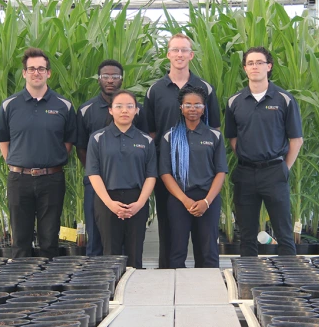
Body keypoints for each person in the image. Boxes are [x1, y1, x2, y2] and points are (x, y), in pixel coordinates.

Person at [145, 33, 221, 269]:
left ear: (191, 55)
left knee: (205, 233)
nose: (179, 54)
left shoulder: (204, 88)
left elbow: (215, 127)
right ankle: (169, 272)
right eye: (175, 50)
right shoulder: (155, 90)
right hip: (167, 170)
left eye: (184, 50)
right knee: (170, 227)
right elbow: (150, 132)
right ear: (168, 54)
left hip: (201, 171)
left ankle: (204, 276)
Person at [0, 47, 76, 259]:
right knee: (20, 240)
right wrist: (16, 163)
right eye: (31, 69)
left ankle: (48, 288)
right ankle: (23, 288)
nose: (36, 73)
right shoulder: (9, 105)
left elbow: (68, 141)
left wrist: (51, 161)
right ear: (24, 73)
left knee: (49, 239)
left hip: (52, 179)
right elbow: (3, 140)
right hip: (19, 180)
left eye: (41, 68)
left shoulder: (63, 106)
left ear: (49, 72)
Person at [225, 46, 303, 257]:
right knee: (247, 235)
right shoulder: (235, 102)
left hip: (274, 172)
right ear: (244, 68)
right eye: (250, 63)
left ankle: (290, 284)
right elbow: (233, 138)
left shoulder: (284, 99)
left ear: (269, 67)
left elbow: (296, 139)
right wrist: (246, 155)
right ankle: (249, 283)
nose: (255, 67)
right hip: (245, 173)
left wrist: (283, 168)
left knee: (284, 233)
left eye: (260, 62)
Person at [76, 60, 147, 257]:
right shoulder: (86, 110)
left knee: (128, 240)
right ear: (98, 79)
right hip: (96, 183)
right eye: (105, 76)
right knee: (97, 236)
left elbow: (145, 143)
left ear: (122, 79)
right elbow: (81, 147)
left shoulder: (137, 110)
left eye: (115, 77)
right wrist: (99, 173)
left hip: (131, 186)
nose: (110, 80)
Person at [85, 90, 157, 268]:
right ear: (110, 110)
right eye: (119, 106)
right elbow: (93, 174)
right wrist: (110, 203)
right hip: (107, 199)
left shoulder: (146, 140)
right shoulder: (97, 138)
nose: (124, 110)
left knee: (135, 252)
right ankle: (113, 292)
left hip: (136, 200)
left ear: (136, 111)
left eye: (129, 106)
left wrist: (140, 203)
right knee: (110, 252)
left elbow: (151, 175)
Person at [159, 87, 227, 268]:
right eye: (188, 104)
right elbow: (165, 173)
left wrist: (206, 201)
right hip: (179, 198)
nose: (192, 108)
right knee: (177, 249)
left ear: (204, 108)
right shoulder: (170, 136)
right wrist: (185, 200)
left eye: (197, 104)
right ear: (181, 107)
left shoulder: (214, 136)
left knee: (209, 250)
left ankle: (208, 292)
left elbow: (220, 171)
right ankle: (177, 291)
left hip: (208, 197)